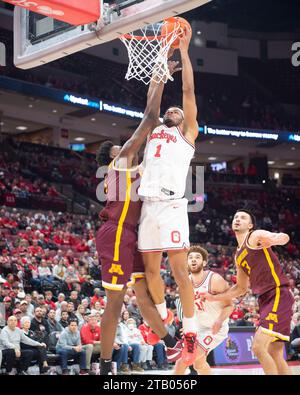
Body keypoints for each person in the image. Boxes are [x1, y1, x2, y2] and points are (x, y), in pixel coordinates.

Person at [96, 59, 181, 375]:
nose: (125, 147)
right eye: (120, 147)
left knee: (143, 293)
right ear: (112, 157)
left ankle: (171, 342)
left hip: (131, 234)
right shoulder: (117, 168)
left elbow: (154, 124)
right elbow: (148, 118)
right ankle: (105, 366)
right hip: (116, 232)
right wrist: (159, 75)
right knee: (115, 303)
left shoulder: (133, 169)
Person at [137, 28, 199, 364]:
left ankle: (190, 332)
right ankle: (164, 315)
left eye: (177, 111)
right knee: (150, 272)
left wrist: (184, 52)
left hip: (173, 205)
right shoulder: (154, 128)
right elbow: (152, 102)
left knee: (179, 273)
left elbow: (188, 90)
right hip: (149, 207)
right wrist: (161, 61)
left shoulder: (187, 132)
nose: (172, 111)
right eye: (170, 110)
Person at [205, 209, 295, 375]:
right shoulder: (238, 256)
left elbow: (284, 237)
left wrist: (275, 239)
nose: (238, 219)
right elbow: (240, 288)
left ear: (250, 225)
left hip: (277, 294)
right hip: (265, 299)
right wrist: (213, 297)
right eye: (235, 217)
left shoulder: (255, 236)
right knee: (274, 351)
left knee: (258, 347)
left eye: (243, 217)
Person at [174, 245, 233, 374]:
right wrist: (188, 326)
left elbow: (230, 305)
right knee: (198, 364)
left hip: (215, 329)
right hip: (197, 327)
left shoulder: (215, 280)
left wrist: (219, 321)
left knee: (182, 361)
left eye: (197, 257)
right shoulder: (184, 283)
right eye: (190, 258)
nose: (193, 260)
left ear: (204, 262)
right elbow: (185, 309)